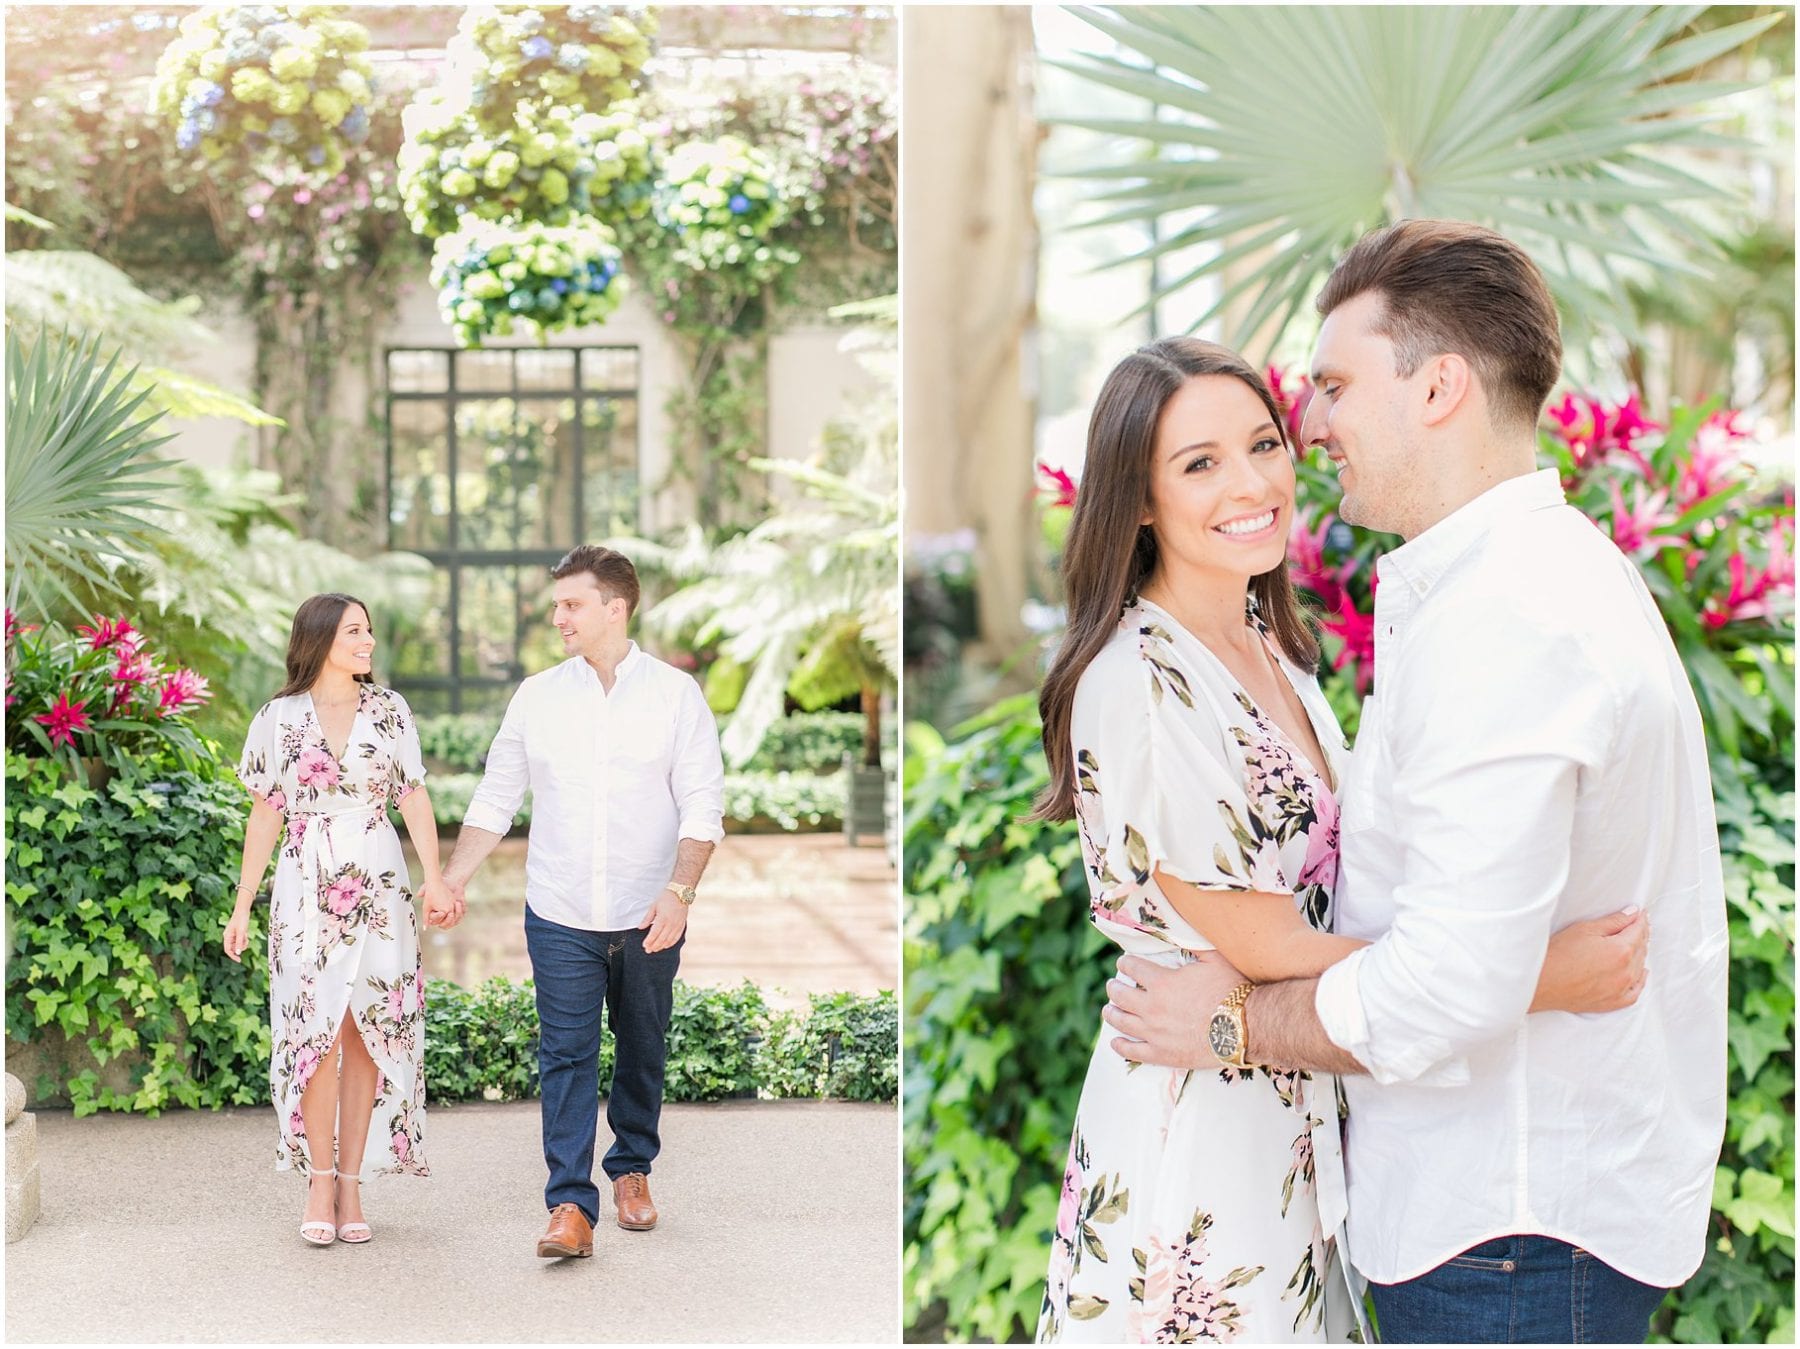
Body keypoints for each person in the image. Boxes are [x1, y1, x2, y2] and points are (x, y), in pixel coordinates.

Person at [1103, 221, 1727, 1344]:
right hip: (1474, 1216)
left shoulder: (1508, 617)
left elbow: (1448, 984)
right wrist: (1535, 972)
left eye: (1333, 387)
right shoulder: (1516, 580)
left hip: (1504, 1230)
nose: (1316, 423)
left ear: (1439, 386)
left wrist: (1237, 1027)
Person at [440, 544, 725, 1260]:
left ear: (615, 608)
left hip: (647, 912)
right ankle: (569, 1202)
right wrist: (454, 877)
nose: (558, 615)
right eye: (559, 602)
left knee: (642, 1047)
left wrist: (680, 893)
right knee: (564, 1054)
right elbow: (497, 796)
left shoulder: (674, 696)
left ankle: (631, 1169)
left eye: (572, 603)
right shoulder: (538, 695)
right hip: (560, 910)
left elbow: (702, 805)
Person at [224, 592, 454, 1246]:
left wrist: (433, 879)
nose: (368, 641)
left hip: (379, 883)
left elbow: (413, 794)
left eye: (370, 630)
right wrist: (243, 902)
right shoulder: (278, 717)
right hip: (305, 887)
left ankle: (352, 1182)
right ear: (321, 637)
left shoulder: (389, 710)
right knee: (315, 1035)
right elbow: (265, 811)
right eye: (356, 630)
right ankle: (318, 1179)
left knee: (366, 1031)